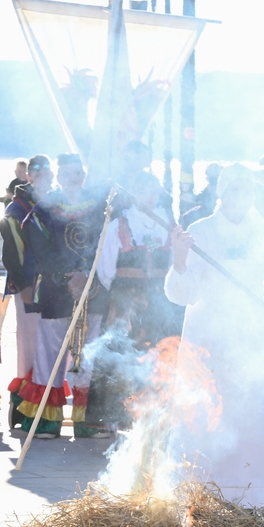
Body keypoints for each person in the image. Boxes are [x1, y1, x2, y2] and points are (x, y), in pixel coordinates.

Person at [165, 164, 264, 506]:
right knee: (208, 411)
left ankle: (252, 499)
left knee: (253, 415)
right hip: (210, 336)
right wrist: (179, 259)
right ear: (222, 192)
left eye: (248, 189)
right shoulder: (202, 231)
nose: (241, 196)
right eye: (235, 188)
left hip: (254, 336)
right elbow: (183, 294)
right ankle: (200, 495)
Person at [17, 153, 109, 440]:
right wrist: (67, 276)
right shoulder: (44, 209)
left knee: (90, 354)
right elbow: (39, 247)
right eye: (68, 172)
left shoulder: (99, 208)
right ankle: (47, 421)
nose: (74, 176)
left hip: (93, 290)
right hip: (57, 292)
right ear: (58, 176)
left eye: (78, 171)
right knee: (49, 353)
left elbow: (106, 246)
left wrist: (86, 275)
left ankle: (86, 422)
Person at [84, 171, 183, 431]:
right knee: (121, 352)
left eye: (152, 191)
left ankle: (156, 416)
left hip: (160, 299)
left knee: (158, 352)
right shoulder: (119, 224)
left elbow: (176, 262)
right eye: (142, 191)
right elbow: (105, 268)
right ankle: (112, 418)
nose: (148, 197)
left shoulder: (170, 223)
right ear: (134, 194)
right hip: (126, 297)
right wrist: (122, 294)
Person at [0, 155, 52, 428]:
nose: (44, 176)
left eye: (48, 171)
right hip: (29, 286)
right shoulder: (18, 206)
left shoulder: (56, 202)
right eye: (38, 172)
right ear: (29, 175)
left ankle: (45, 404)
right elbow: (12, 249)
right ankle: (23, 405)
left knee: (53, 347)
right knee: (29, 347)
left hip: (54, 286)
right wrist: (24, 286)